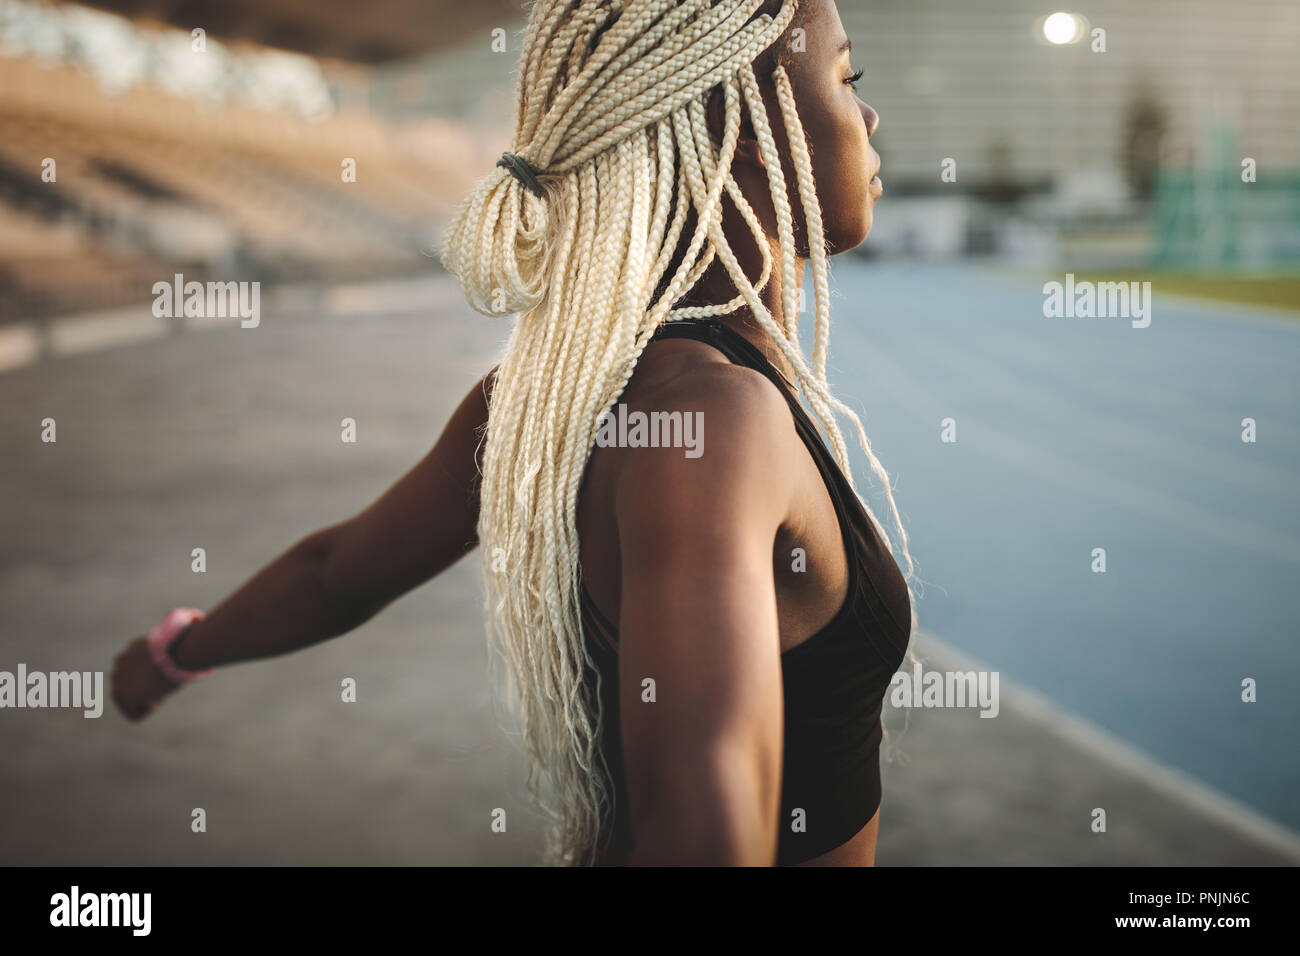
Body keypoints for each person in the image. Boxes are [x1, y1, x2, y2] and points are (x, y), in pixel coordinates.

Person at [112, 0, 919, 867]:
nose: (868, 117)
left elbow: (336, 573)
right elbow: (700, 808)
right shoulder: (712, 427)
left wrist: (174, 654)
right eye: (847, 80)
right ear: (752, 135)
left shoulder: (556, 395)